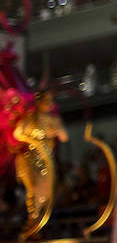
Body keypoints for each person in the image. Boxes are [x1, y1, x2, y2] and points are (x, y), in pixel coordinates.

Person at [13, 91, 68, 229]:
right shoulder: (29, 118)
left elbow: (64, 137)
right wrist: (30, 138)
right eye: (46, 101)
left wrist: (55, 130)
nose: (49, 104)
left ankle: (40, 222)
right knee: (34, 189)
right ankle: (33, 221)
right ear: (38, 102)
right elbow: (18, 133)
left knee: (45, 192)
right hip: (30, 160)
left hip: (46, 162)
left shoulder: (54, 120)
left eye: (50, 101)